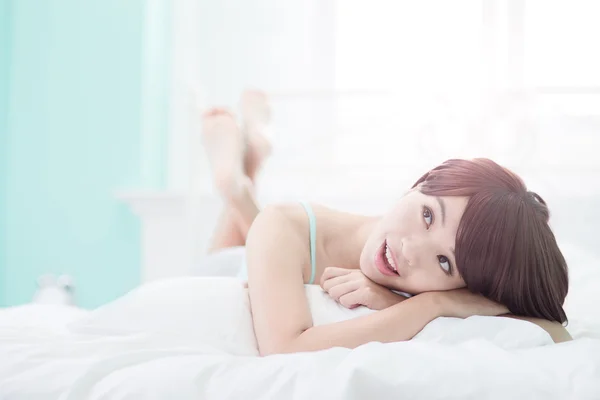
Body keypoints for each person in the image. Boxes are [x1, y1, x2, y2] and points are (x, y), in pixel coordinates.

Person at [200, 90, 572, 357]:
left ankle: (248, 168)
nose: (410, 250)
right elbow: (285, 348)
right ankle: (237, 185)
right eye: (427, 215)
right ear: (421, 182)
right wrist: (427, 307)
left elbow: (556, 333)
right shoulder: (283, 225)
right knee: (249, 237)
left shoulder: (427, 277)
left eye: (445, 262)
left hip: (271, 246)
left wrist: (402, 300)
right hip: (238, 259)